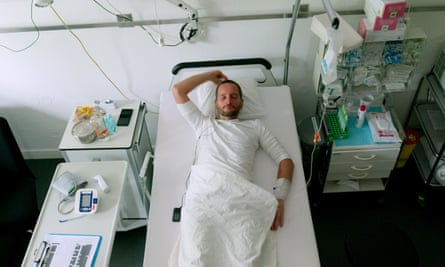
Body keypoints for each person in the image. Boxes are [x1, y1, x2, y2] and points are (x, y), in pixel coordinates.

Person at [172, 70, 294, 230]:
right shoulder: (203, 124)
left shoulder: (255, 127)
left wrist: (280, 197)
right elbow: (178, 90)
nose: (228, 100)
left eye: (234, 96)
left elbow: (285, 160)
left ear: (242, 102)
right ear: (215, 102)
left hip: (238, 197)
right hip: (204, 193)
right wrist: (209, 76)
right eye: (223, 97)